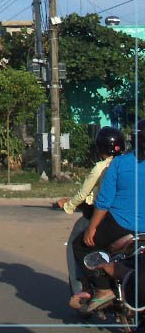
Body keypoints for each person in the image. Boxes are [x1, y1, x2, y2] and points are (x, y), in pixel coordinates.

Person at [73, 119, 145, 313]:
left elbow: (104, 202)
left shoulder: (120, 163)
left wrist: (91, 228)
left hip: (122, 225)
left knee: (80, 245)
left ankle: (104, 289)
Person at [55, 126, 123, 309]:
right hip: (129, 216)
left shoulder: (102, 168)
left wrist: (69, 205)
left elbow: (89, 195)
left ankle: (83, 288)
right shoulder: (129, 163)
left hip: (104, 215)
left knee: (78, 243)